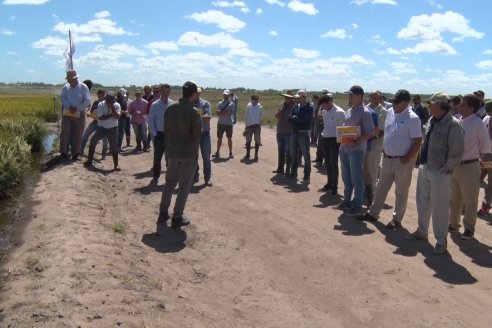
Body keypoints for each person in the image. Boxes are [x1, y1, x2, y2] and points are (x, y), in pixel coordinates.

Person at [405, 93, 464, 255]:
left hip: (440, 172)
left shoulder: (454, 125)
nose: (429, 107)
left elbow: (457, 154)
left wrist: (444, 170)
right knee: (422, 202)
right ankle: (422, 231)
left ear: (441, 105)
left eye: (432, 104)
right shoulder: (432, 121)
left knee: (440, 208)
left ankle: (440, 240)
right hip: (426, 168)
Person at [358, 89, 422, 229]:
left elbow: (417, 141)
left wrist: (407, 158)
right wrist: (385, 151)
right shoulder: (391, 113)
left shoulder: (413, 118)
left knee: (401, 191)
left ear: (405, 102)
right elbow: (387, 132)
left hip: (403, 160)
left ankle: (397, 219)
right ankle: (373, 213)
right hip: (387, 158)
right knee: (381, 187)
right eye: (393, 101)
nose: (393, 104)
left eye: (397, 102)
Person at [157, 81, 201, 229]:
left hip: (172, 152)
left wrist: (168, 152)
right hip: (188, 154)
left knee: (169, 183)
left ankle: (163, 213)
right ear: (194, 94)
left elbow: (166, 131)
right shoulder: (193, 112)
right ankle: (177, 217)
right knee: (183, 186)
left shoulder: (170, 108)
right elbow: (196, 136)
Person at [448, 94, 491, 240]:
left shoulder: (477, 123)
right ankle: (453, 224)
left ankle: (469, 228)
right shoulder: (458, 121)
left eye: (463, 104)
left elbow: (486, 146)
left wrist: (478, 158)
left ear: (472, 107)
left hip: (470, 166)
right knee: (454, 198)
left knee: (470, 200)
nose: (459, 107)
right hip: (456, 166)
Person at [336, 85, 375, 216]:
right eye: (349, 95)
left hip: (356, 149)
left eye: (351, 95)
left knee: (356, 178)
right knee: (346, 177)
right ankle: (346, 201)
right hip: (345, 148)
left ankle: (357, 205)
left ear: (359, 96)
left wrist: (358, 139)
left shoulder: (365, 112)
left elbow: (371, 132)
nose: (349, 97)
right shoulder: (349, 110)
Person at [84, 91, 121, 171]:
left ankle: (116, 164)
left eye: (111, 101)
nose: (110, 103)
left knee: (114, 147)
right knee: (93, 141)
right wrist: (112, 115)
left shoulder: (116, 105)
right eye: (109, 101)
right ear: (106, 99)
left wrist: (112, 108)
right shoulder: (100, 104)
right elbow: (101, 117)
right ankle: (89, 160)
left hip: (113, 129)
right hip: (102, 128)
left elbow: (117, 117)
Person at [59, 70, 91, 160]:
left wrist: (77, 107)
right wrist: (69, 107)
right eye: (68, 79)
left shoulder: (83, 87)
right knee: (65, 132)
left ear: (76, 78)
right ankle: (63, 152)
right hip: (67, 112)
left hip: (79, 113)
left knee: (78, 133)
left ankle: (75, 153)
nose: (69, 81)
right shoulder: (65, 87)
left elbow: (87, 100)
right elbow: (62, 98)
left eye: (70, 79)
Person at [363, 91, 388, 204]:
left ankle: (370, 192)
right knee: (363, 167)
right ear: (369, 98)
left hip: (375, 144)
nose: (376, 100)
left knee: (373, 167)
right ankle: (363, 190)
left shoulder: (383, 111)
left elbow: (381, 131)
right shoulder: (365, 108)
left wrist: (368, 136)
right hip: (363, 143)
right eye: (374, 98)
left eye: (378, 98)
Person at [318, 93, 345, 195]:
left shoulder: (339, 112)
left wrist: (341, 143)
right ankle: (329, 183)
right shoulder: (325, 111)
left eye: (324, 105)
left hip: (335, 141)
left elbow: (343, 129)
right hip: (325, 139)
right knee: (328, 164)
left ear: (329, 102)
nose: (322, 108)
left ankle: (335, 187)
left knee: (333, 164)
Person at [287, 90, 313, 182]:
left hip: (304, 133)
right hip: (294, 132)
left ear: (304, 97)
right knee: (293, 154)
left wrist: (295, 118)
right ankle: (293, 173)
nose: (297, 99)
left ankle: (307, 175)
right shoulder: (296, 106)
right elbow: (289, 118)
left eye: (299, 97)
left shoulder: (309, 107)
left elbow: (306, 120)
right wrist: (294, 118)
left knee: (306, 155)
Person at [148, 84, 172, 179]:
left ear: (169, 92)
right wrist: (154, 133)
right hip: (159, 134)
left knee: (170, 157)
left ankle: (170, 175)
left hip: (170, 135)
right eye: (164, 91)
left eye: (167, 91)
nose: (166, 93)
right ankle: (156, 175)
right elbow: (151, 121)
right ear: (160, 92)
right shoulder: (155, 105)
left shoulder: (173, 104)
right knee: (157, 156)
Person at [81, 89, 109, 158]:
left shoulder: (107, 104)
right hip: (95, 122)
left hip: (103, 124)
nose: (99, 97)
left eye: (101, 95)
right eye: (98, 96)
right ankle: (81, 151)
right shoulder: (96, 102)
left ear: (104, 95)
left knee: (105, 140)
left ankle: (103, 155)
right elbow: (92, 111)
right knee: (85, 135)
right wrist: (89, 114)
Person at [193, 87, 213, 186]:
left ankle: (207, 178)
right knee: (193, 156)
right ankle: (195, 175)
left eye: (198, 93)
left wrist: (200, 116)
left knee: (206, 157)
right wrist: (201, 116)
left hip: (205, 133)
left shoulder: (206, 103)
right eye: (195, 93)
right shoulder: (189, 104)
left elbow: (207, 118)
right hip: (193, 134)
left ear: (200, 93)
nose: (197, 94)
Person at [273, 90, 295, 174]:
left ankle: (287, 170)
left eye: (288, 97)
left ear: (292, 98)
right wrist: (277, 114)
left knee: (288, 152)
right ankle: (280, 169)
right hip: (280, 130)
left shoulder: (295, 106)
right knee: (280, 151)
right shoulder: (282, 104)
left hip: (289, 131)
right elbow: (277, 115)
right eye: (285, 97)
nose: (286, 98)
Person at [213, 89, 234, 159]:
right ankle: (217, 152)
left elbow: (229, 114)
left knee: (229, 138)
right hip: (221, 123)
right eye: (224, 94)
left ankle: (230, 152)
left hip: (228, 123)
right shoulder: (220, 103)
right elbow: (217, 113)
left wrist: (221, 112)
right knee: (219, 138)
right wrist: (224, 112)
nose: (225, 95)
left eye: (226, 94)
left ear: (229, 95)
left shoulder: (232, 104)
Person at [243, 94, 263, 161]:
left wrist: (259, 123)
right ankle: (248, 154)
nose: (255, 100)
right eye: (254, 99)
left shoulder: (260, 107)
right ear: (252, 100)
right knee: (248, 140)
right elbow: (246, 116)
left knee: (257, 140)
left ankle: (256, 156)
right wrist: (246, 126)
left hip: (257, 125)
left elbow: (261, 116)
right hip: (249, 126)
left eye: (257, 99)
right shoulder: (249, 106)